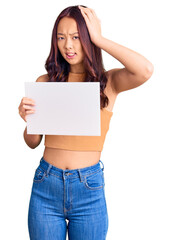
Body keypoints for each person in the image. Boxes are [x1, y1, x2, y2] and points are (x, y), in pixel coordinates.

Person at [18, 5, 154, 240]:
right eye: (61, 38)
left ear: (88, 38)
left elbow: (145, 70)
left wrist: (100, 39)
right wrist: (29, 121)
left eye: (76, 37)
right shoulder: (46, 82)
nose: (67, 45)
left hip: (88, 190)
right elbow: (33, 143)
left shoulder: (107, 82)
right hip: (46, 186)